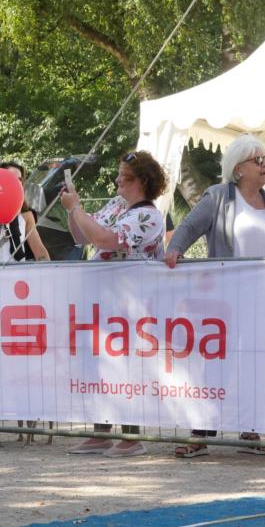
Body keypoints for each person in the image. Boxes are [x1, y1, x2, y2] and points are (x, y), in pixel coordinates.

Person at [165, 134, 265, 457]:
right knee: (214, 365)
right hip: (224, 299)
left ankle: (251, 432)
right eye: (257, 160)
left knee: (257, 365)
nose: (264, 165)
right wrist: (175, 249)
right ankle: (200, 434)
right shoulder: (219, 197)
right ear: (238, 169)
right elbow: (188, 227)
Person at [61, 150, 168, 457]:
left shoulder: (149, 216)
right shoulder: (118, 204)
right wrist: (73, 211)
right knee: (97, 365)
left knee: (128, 368)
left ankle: (132, 436)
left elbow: (108, 240)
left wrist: (78, 209)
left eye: (127, 176)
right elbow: (83, 236)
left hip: (131, 302)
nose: (119, 179)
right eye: (120, 174)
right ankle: (100, 432)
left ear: (144, 182)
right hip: (102, 299)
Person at [0, 161, 51, 262]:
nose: (16, 183)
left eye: (19, 179)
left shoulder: (26, 215)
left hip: (17, 274)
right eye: (11, 178)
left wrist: (50, 271)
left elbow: (39, 250)